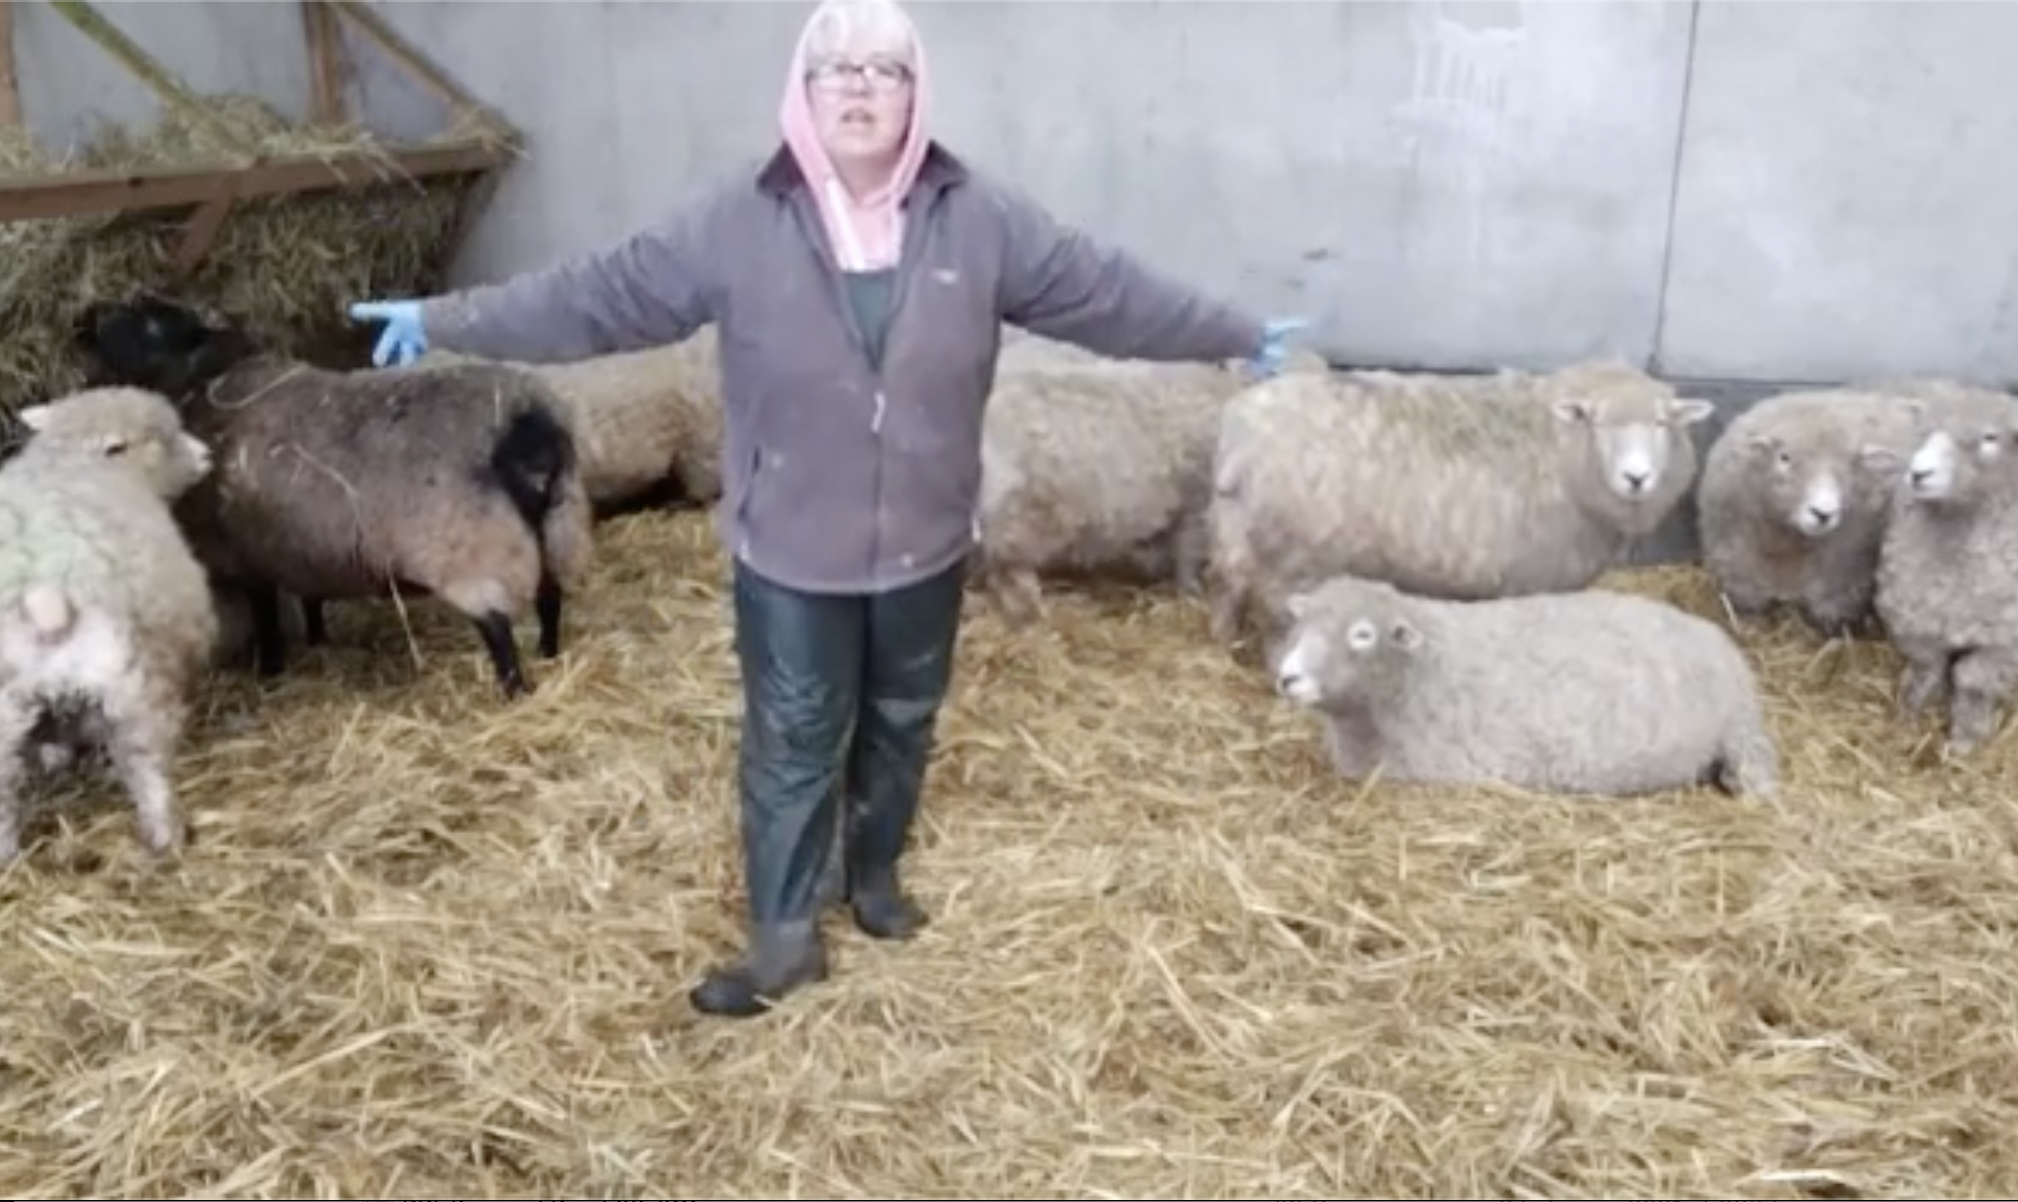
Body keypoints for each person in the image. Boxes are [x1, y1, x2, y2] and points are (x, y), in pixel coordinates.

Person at [348, 0, 1309, 1019]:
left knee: (901, 715)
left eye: (885, 68)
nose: (859, 86)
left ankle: (874, 873)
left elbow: (1105, 289)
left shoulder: (978, 215)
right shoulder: (739, 219)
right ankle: (783, 937)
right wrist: (446, 317)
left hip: (925, 542)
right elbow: (598, 293)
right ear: (803, 91)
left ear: (915, 91)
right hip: (793, 549)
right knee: (797, 735)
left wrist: (1232, 330)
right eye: (836, 68)